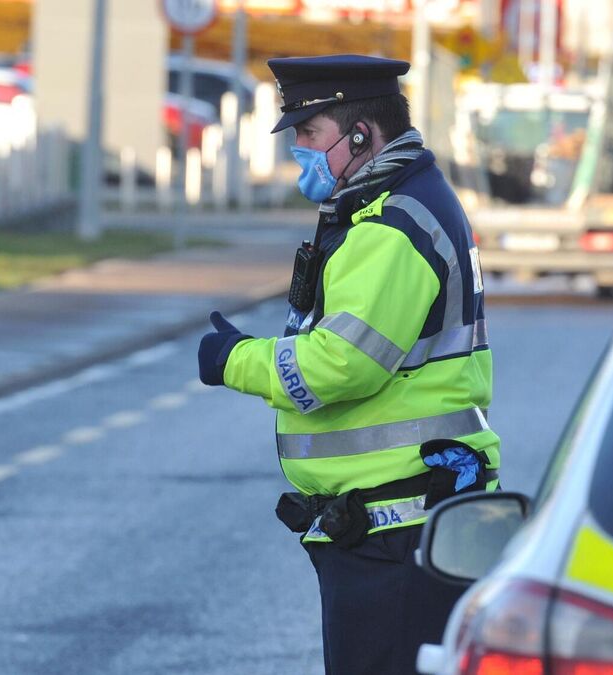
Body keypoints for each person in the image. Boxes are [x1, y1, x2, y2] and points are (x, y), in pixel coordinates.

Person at [196, 54, 501, 674]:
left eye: (310, 134)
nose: (299, 151)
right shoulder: (390, 206)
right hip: (397, 522)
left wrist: (235, 360)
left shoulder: (394, 224)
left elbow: (340, 364)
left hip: (398, 528)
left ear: (361, 134)